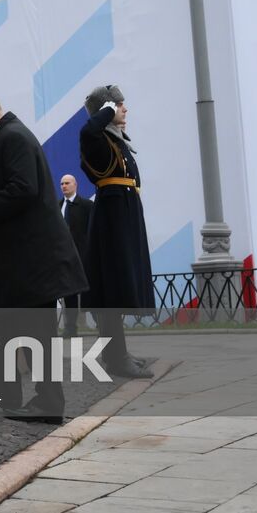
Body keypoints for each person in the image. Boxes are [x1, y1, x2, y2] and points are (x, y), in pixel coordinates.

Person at [0, 90, 87, 424]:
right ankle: (6, 392)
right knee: (1, 320)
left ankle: (48, 403)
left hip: (33, 258)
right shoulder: (7, 136)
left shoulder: (12, 137)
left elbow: (23, 189)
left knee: (35, 332)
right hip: (20, 257)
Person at [79, 85, 156, 379]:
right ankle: (116, 357)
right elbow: (87, 132)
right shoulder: (96, 140)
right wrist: (107, 110)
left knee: (119, 289)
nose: (124, 109)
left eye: (122, 104)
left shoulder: (116, 140)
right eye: (118, 105)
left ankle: (117, 354)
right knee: (112, 291)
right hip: (112, 218)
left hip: (123, 214)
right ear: (105, 111)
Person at [58, 174, 93, 338]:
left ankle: (101, 326)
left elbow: (92, 230)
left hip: (85, 257)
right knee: (69, 295)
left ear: (75, 184)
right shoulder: (57, 206)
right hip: (65, 259)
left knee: (90, 292)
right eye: (62, 184)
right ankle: (70, 329)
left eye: (67, 183)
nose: (64, 186)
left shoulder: (86, 205)